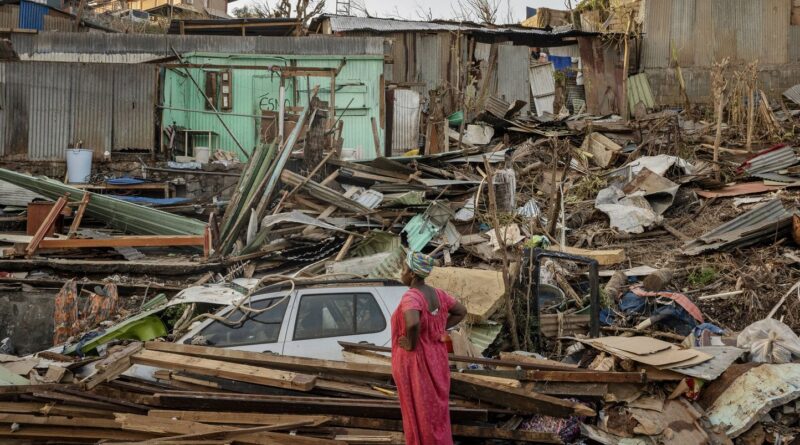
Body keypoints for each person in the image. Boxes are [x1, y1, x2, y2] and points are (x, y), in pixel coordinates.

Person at [391, 251, 468, 445]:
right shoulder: (438, 295)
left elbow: (412, 323)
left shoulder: (412, 296)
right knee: (434, 410)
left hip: (416, 362)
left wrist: (411, 342)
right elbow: (461, 311)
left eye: (404, 269)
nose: (401, 273)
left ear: (413, 274)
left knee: (418, 410)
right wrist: (438, 327)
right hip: (437, 358)